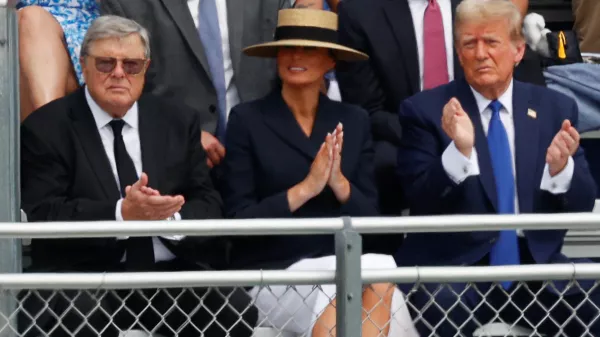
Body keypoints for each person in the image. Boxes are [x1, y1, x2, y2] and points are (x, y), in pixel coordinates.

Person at [19, 16, 255, 337]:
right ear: (83, 65)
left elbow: (208, 202)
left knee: (234, 308)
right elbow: (44, 213)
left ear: (145, 68)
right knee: (79, 314)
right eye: (106, 63)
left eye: (131, 65)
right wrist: (122, 215)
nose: (119, 73)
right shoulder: (47, 127)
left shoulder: (177, 121)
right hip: (87, 277)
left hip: (169, 279)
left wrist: (166, 218)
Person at [395, 1, 600, 336]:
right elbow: (420, 197)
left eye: (491, 42)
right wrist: (459, 152)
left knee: (593, 289)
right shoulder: (427, 110)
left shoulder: (554, 107)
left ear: (519, 50)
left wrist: (561, 170)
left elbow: (582, 201)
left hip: (535, 269)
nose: (480, 54)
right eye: (469, 44)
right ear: (458, 53)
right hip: (457, 268)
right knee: (441, 300)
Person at [221, 9, 419, 337]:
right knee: (378, 273)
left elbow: (373, 222)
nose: (296, 56)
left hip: (348, 266)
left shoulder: (353, 120)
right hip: (275, 273)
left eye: (309, 49)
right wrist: (306, 189)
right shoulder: (247, 119)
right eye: (288, 48)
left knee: (374, 270)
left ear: (331, 61)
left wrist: (339, 184)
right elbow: (239, 223)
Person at [335, 0, 546, 219]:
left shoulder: (487, 4)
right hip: (402, 136)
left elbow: (520, 78)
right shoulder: (360, 11)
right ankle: (389, 250)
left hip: (484, 127)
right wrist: (437, 135)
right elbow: (368, 110)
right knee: (379, 162)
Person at [100, 0, 331, 173]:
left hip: (267, 158)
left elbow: (298, 62)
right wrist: (183, 132)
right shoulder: (129, 3)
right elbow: (120, 84)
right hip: (175, 161)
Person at [16, 0, 100, 121]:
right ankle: (52, 131)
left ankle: (50, 132)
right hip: (20, 24)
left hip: (87, 23)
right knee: (29, 22)